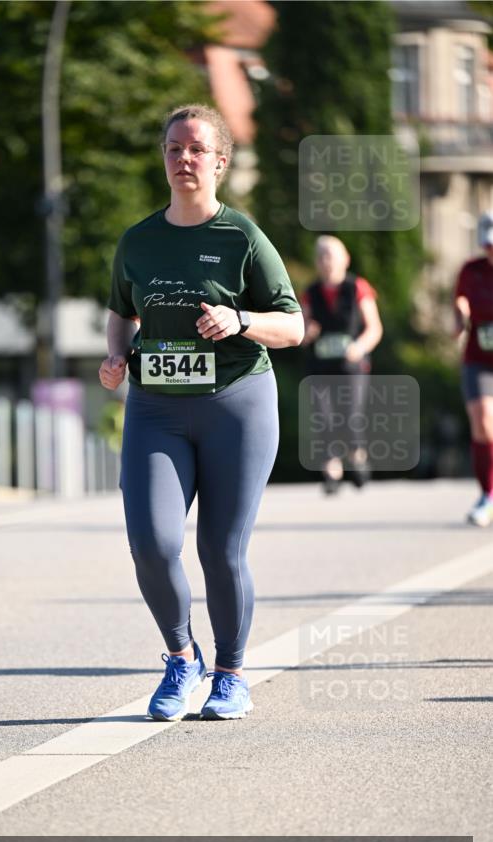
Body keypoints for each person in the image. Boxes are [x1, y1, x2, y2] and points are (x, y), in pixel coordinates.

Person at [99, 104, 303, 721]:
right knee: (152, 543)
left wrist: (240, 319)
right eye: (172, 148)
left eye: (195, 149)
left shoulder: (240, 236)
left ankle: (231, 674)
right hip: (156, 410)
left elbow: (293, 325)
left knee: (220, 549)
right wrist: (113, 356)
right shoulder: (138, 240)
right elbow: (121, 313)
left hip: (236, 405)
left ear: (219, 161)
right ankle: (181, 657)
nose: (182, 159)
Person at [301, 236, 383, 493]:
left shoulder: (358, 287)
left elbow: (374, 328)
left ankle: (357, 457)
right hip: (321, 366)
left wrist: (358, 347)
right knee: (323, 416)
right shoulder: (310, 293)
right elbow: (300, 333)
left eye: (332, 255)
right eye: (322, 256)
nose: (327, 261)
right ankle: (331, 470)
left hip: (351, 366)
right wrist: (308, 333)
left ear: (345, 259)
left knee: (350, 415)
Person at [454, 211, 493, 527]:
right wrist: (460, 315)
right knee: (483, 423)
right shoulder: (471, 270)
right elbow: (462, 302)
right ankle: (487, 495)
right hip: (478, 359)